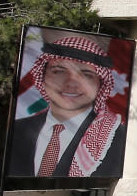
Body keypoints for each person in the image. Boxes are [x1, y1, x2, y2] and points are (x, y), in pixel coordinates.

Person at [7, 36, 126, 177]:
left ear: (100, 84)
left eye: (86, 74)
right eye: (59, 71)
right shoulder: (17, 129)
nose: (71, 83)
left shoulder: (118, 138)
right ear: (42, 77)